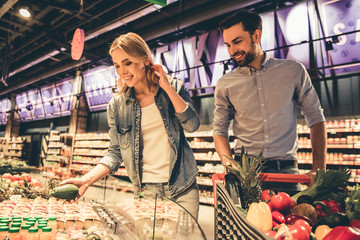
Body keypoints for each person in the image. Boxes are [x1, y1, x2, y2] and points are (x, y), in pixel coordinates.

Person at [61, 32, 200, 220]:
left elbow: (192, 125)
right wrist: (86, 180)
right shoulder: (117, 105)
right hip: (146, 190)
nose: (122, 71)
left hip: (183, 186)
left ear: (144, 60)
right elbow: (115, 152)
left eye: (127, 62)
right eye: (117, 65)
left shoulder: (174, 87)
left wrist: (167, 87)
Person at [213, 10, 327, 194]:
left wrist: (318, 168)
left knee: (293, 221)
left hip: (287, 172)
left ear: (256, 35)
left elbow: (315, 117)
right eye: (227, 45)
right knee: (243, 223)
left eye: (237, 42)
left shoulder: (292, 71)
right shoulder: (225, 84)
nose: (232, 51)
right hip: (245, 173)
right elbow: (219, 130)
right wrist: (229, 164)